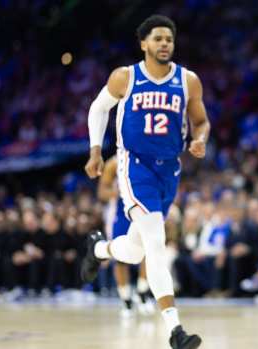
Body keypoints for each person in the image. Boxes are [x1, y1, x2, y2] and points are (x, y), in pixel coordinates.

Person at [82, 14, 210, 349]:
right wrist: (96, 151)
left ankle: (98, 249)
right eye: (157, 38)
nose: (164, 43)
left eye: (169, 38)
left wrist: (200, 139)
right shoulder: (125, 77)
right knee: (156, 241)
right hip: (133, 166)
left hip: (169, 169)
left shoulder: (188, 81)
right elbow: (98, 109)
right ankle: (175, 328)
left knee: (137, 247)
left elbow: (201, 121)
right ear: (144, 44)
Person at [97, 156, 154, 316]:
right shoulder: (113, 163)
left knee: (148, 252)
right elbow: (102, 192)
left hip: (142, 211)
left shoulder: (147, 158)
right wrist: (124, 191)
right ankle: (126, 300)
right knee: (120, 258)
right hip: (120, 215)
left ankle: (142, 293)